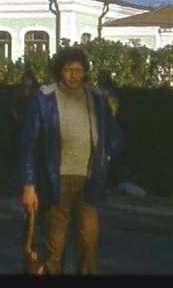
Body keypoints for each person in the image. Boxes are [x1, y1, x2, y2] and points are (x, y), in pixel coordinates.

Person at [19, 47, 122, 275]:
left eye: (79, 70)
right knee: (54, 248)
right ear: (59, 71)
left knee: (88, 246)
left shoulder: (96, 98)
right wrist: (29, 185)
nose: (74, 75)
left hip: (89, 181)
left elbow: (114, 136)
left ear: (85, 71)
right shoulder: (45, 98)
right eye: (68, 70)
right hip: (55, 181)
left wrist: (105, 160)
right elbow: (30, 143)